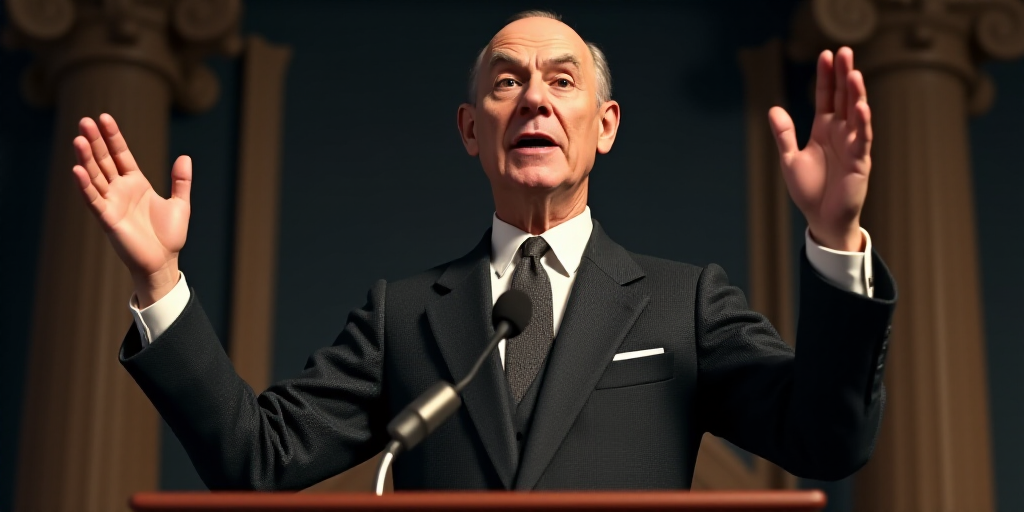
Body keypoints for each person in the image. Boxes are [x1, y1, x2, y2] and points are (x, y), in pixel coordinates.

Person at [70, 11, 896, 491]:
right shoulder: (403, 317)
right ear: (473, 130)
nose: (534, 95)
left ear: (604, 128)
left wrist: (834, 239)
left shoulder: (684, 302)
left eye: (563, 81)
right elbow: (257, 459)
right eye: (507, 81)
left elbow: (829, 442)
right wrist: (159, 276)